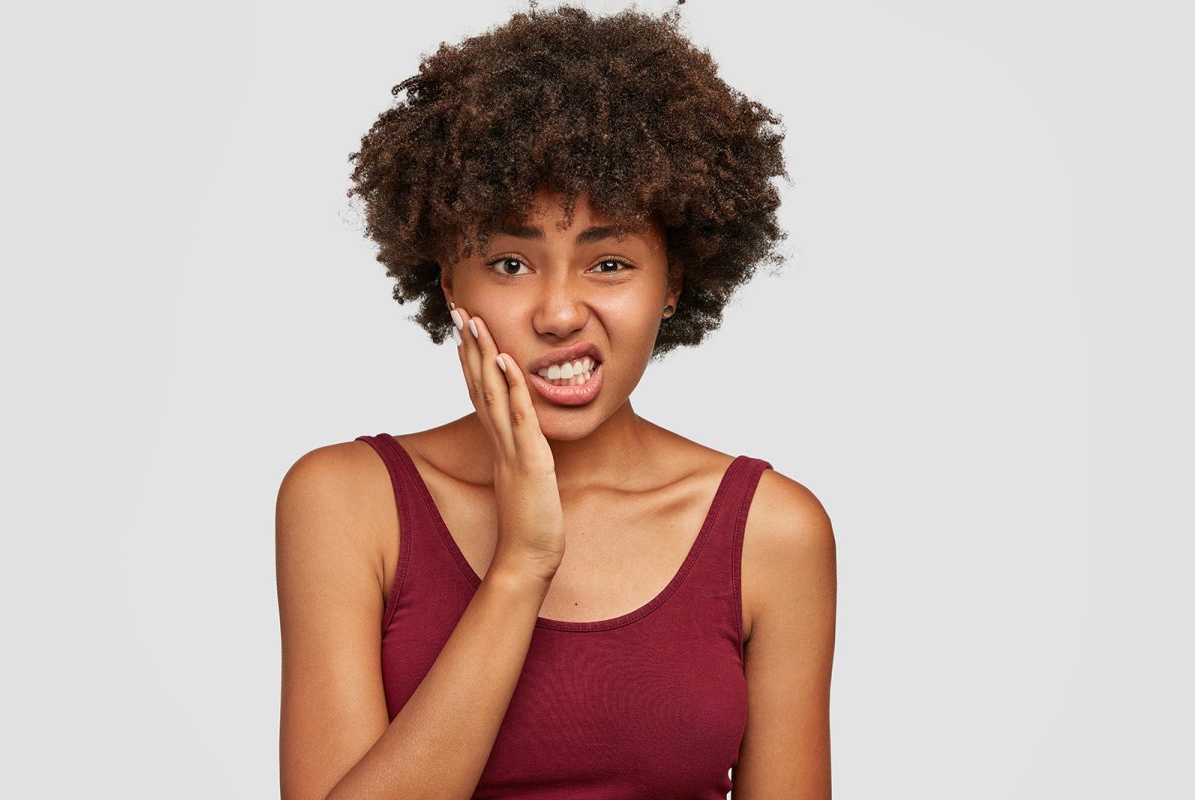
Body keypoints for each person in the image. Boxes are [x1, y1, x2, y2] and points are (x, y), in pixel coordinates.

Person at [275, 3, 837, 798]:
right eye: (510, 263)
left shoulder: (771, 532)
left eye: (609, 263)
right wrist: (522, 564)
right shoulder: (347, 502)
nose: (560, 312)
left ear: (674, 284)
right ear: (447, 279)